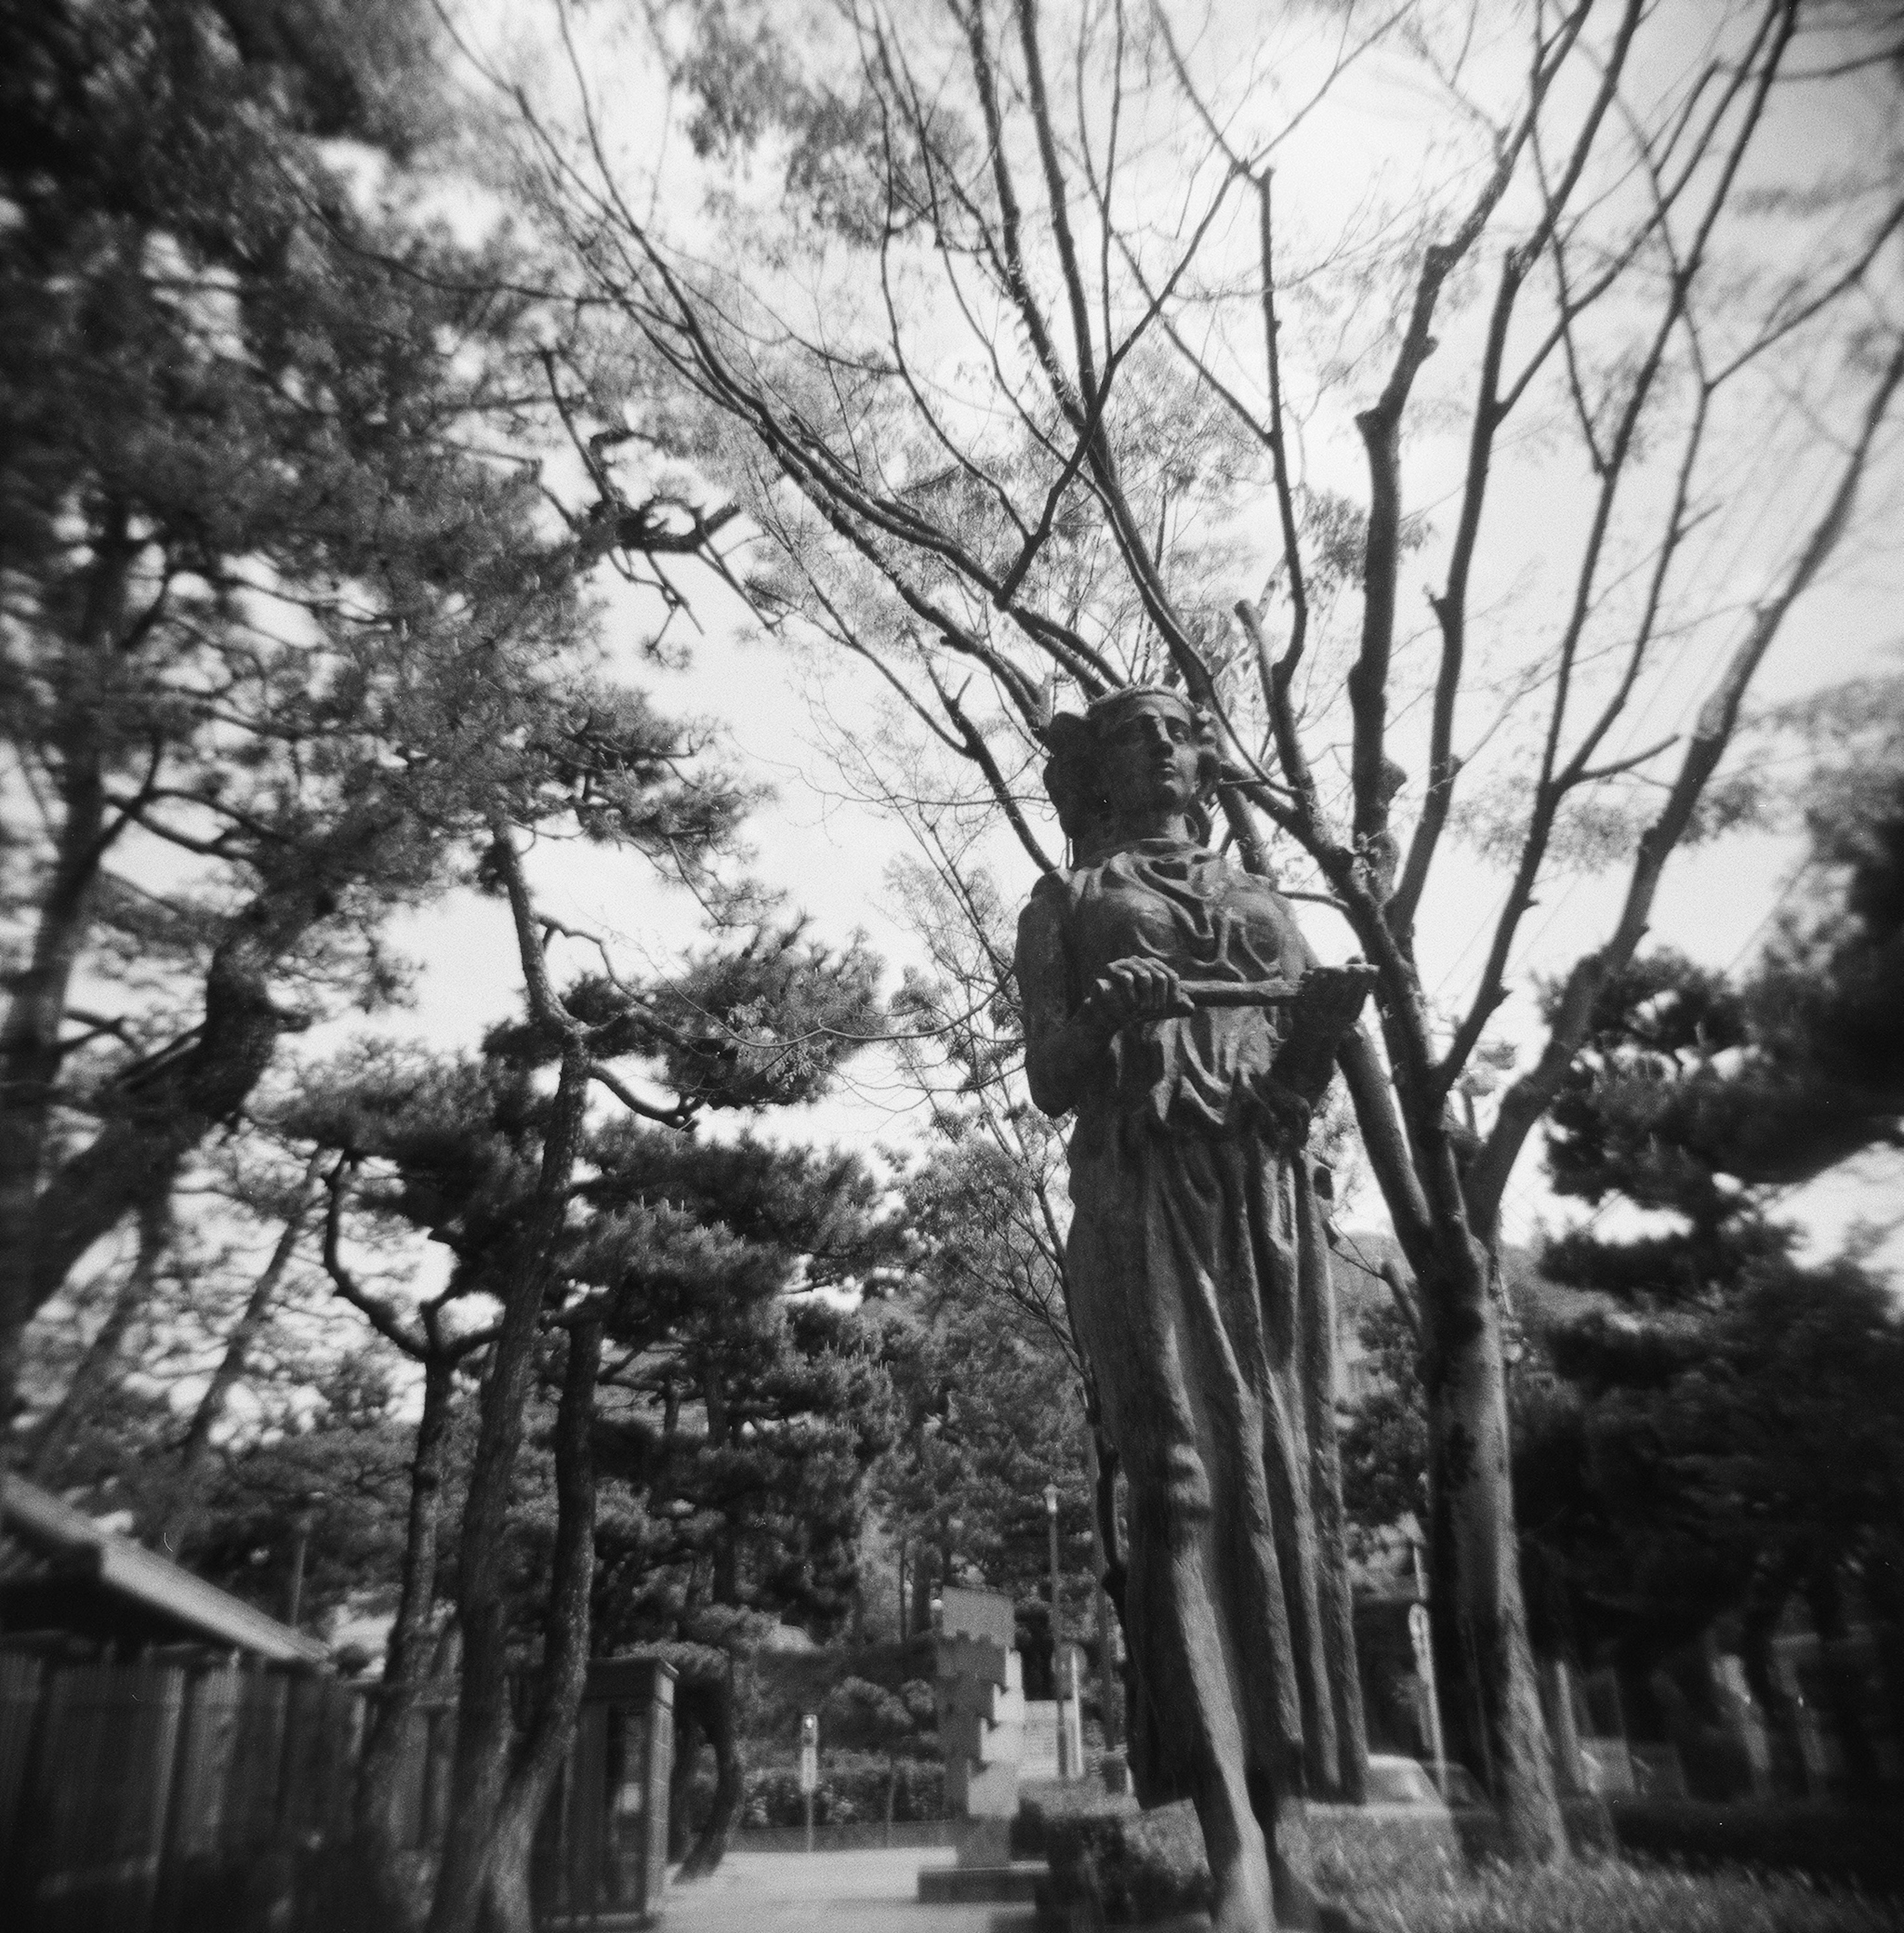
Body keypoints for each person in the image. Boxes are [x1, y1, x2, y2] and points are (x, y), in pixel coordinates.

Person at [1015, 685, 1363, 1932]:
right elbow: (1051, 1076)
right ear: (1097, 772)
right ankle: (1228, 1844)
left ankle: (1291, 1833)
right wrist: (1108, 1020)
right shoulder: (1063, 903)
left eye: (1177, 728)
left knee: (1284, 1479)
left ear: (1205, 758)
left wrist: (1317, 1043)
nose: (1163, 744)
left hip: (1266, 1201)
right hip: (1140, 1189)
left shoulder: (1262, 898)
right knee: (1182, 1482)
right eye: (1132, 734)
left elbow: (1299, 1086)